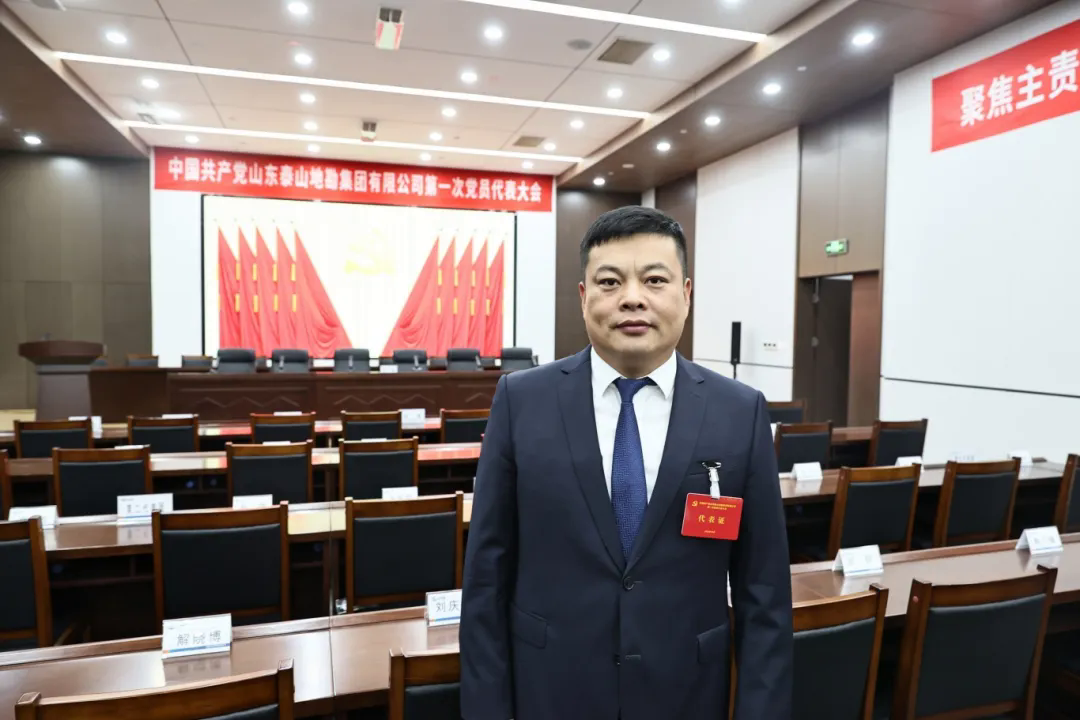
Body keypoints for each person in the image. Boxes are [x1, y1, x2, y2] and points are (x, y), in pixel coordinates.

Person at [460, 206, 793, 720]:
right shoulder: (520, 401)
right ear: (583, 297)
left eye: (654, 280)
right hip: (551, 691)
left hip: (687, 694)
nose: (633, 297)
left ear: (686, 293)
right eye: (610, 281)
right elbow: (487, 578)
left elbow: (764, 591)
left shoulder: (739, 411)